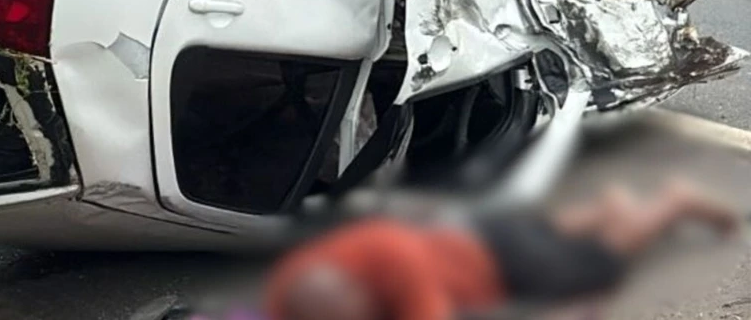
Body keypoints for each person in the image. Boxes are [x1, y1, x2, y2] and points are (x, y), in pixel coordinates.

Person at [265, 179, 741, 320]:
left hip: (502, 265)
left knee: (605, 260)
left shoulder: (401, 268)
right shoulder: (299, 279)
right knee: (548, 232)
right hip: (476, 237)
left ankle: (671, 202)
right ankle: (608, 206)